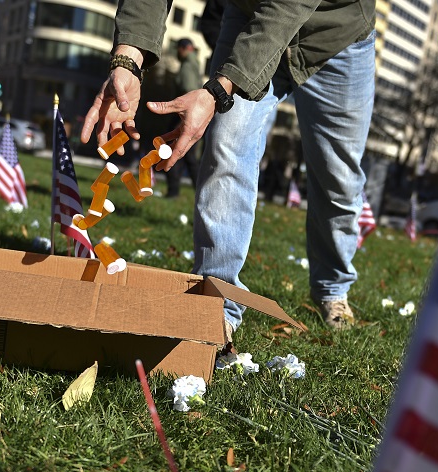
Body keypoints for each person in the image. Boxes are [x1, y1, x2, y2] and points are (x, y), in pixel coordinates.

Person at [81, 0, 375, 337]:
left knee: (338, 176)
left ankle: (332, 288)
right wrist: (127, 63)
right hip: (249, 18)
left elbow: (287, 7)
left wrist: (219, 89)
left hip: (337, 34)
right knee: (226, 144)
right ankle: (217, 301)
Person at [164, 38, 201, 199]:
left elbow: (188, 90)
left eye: (178, 49)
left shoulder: (186, 66)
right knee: (189, 158)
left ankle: (173, 191)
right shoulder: (194, 65)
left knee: (171, 150)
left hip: (183, 117)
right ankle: (200, 190)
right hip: (192, 117)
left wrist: (183, 119)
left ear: (184, 48)